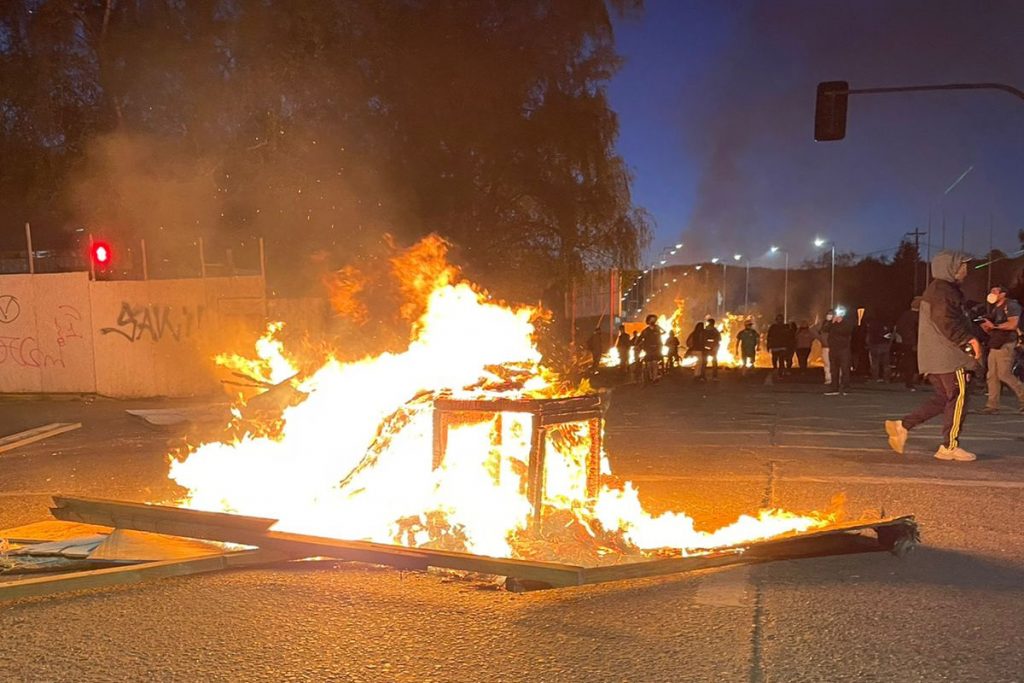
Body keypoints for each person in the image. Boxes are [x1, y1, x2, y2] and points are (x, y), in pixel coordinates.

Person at [885, 251, 982, 462]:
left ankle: (903, 426)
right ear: (951, 267)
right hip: (949, 356)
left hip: (936, 357)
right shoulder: (943, 291)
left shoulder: (938, 290)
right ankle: (949, 446)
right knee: (958, 398)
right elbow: (946, 320)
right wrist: (969, 340)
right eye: (962, 265)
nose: (966, 270)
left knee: (942, 398)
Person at [979, 285, 1024, 414]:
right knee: (991, 375)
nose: (991, 293)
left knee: (1004, 374)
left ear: (1003, 294)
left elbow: (1013, 324)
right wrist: (986, 326)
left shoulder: (1011, 306)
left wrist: (994, 326)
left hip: (1006, 342)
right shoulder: (996, 308)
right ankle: (992, 405)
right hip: (996, 343)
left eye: (995, 291)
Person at [825, 307, 855, 395]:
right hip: (833, 349)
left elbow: (846, 331)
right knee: (833, 369)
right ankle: (834, 387)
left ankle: (846, 387)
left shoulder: (847, 323)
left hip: (844, 349)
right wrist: (830, 322)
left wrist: (839, 322)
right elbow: (824, 329)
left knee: (845, 368)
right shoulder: (831, 323)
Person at [894, 297, 921, 390]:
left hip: (905, 342)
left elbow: (899, 328)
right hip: (915, 342)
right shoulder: (918, 317)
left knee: (908, 361)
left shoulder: (905, 315)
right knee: (913, 362)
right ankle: (912, 381)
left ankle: (908, 381)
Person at [865, 314, 893, 383]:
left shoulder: (871, 324)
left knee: (875, 363)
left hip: (875, 345)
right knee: (886, 363)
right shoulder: (886, 324)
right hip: (885, 345)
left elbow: (869, 336)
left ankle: (875, 378)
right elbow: (890, 335)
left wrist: (868, 344)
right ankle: (886, 378)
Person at [637, 314, 664, 382]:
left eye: (654, 320)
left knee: (655, 364)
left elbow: (663, 333)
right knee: (649, 364)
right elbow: (639, 339)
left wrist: (659, 327)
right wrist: (638, 346)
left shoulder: (657, 330)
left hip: (656, 349)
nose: (653, 321)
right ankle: (651, 377)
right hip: (648, 350)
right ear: (648, 321)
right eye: (651, 319)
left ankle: (654, 378)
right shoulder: (645, 331)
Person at [817, 311, 834, 385]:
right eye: (828, 314)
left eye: (831, 314)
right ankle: (828, 378)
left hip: (833, 347)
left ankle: (835, 378)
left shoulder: (835, 325)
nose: (829, 316)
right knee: (827, 364)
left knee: (833, 363)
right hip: (825, 347)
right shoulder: (823, 324)